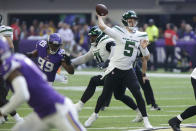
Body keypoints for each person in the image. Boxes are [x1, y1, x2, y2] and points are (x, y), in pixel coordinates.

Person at [84, 10, 153, 129]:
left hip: (128, 70)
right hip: (115, 68)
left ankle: (146, 120)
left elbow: (146, 57)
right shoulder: (118, 31)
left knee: (138, 94)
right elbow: (102, 26)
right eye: (130, 20)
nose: (132, 22)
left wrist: (144, 48)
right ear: (125, 21)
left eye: (134, 20)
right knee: (105, 94)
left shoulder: (141, 35)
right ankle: (94, 115)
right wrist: (100, 16)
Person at [0, 37, 86, 131]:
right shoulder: (17, 58)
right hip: (41, 112)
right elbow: (34, 54)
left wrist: (2, 111)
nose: (54, 47)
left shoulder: (9, 64)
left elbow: (22, 95)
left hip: (58, 108)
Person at [72, 26, 115, 112]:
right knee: (108, 85)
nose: (91, 38)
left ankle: (82, 106)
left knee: (99, 82)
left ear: (99, 35)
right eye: (91, 36)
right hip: (111, 73)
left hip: (119, 72)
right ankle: (103, 104)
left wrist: (108, 62)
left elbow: (114, 48)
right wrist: (71, 62)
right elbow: (85, 58)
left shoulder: (106, 41)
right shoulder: (95, 45)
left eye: (93, 36)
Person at [0, 15, 23, 124]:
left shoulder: (4, 30)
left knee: (1, 96)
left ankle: (17, 118)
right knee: (2, 96)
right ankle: (2, 117)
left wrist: (8, 64)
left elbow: (10, 45)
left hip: (3, 66)